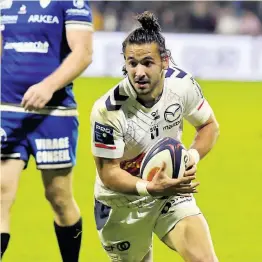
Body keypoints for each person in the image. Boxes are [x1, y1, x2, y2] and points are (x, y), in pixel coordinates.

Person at [90, 11, 220, 262]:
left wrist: (191, 156)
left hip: (171, 192)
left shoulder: (181, 85)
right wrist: (150, 187)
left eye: (147, 63)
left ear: (165, 61)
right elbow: (109, 172)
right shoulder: (108, 110)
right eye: (132, 63)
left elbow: (209, 126)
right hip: (121, 205)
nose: (138, 72)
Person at [0, 0, 93, 261]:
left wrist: (48, 86)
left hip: (53, 114)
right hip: (8, 112)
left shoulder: (70, 2)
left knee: (59, 197)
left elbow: (83, 52)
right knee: (1, 192)